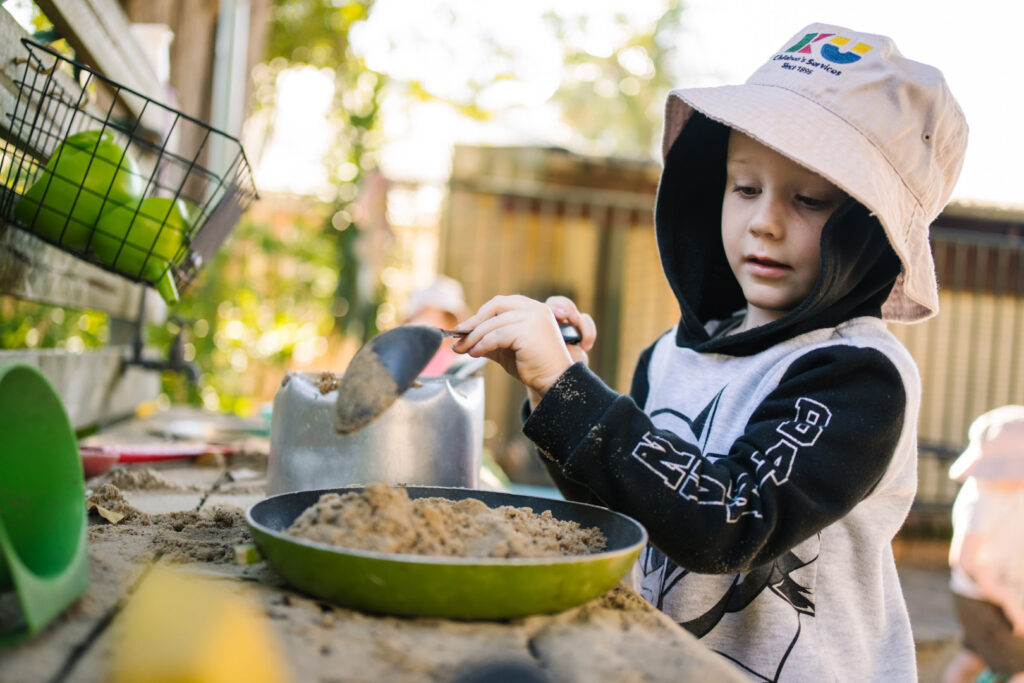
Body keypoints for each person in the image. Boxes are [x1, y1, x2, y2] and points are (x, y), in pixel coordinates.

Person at [451, 23, 968, 681]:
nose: (764, 221)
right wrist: (555, 388)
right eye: (744, 187)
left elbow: (727, 523)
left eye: (808, 199)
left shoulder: (858, 375)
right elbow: (622, 508)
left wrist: (572, 394)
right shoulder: (671, 355)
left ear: (870, 229)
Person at [943, 406, 1024, 683]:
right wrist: (1011, 603)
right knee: (1019, 669)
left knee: (972, 659)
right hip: (979, 598)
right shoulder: (981, 499)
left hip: (1002, 592)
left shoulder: (1012, 490)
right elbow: (965, 560)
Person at [400, 275, 471, 375]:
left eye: (437, 319)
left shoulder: (453, 361)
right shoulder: (404, 356)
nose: (428, 324)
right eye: (424, 316)